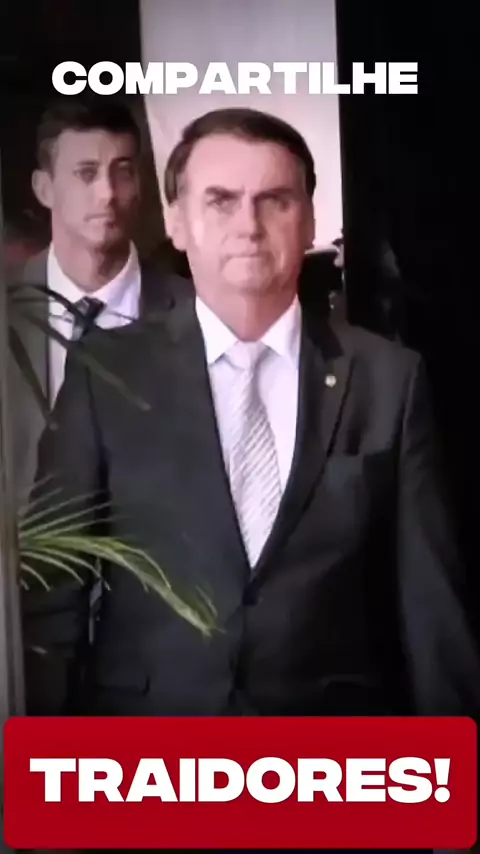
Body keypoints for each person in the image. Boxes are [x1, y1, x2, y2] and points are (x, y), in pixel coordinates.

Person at [22, 108, 480, 728]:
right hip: (148, 756)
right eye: (221, 201)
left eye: (274, 200)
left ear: (309, 220)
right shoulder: (106, 373)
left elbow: (431, 610)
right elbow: (54, 593)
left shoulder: (389, 381)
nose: (249, 225)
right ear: (176, 221)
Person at [9, 96, 183, 502]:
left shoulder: (197, 312)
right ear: (44, 188)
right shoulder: (9, 306)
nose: (107, 193)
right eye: (86, 173)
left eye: (123, 172)